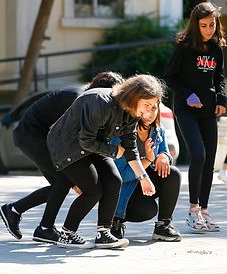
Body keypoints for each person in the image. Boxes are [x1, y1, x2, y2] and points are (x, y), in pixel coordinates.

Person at [0, 72, 124, 244]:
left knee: (61, 182)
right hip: (32, 135)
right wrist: (81, 179)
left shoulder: (89, 100)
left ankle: (16, 211)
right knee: (64, 180)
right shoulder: (80, 98)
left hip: (46, 136)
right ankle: (43, 227)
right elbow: (74, 138)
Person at [46, 74, 162, 249]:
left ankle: (103, 233)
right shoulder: (100, 102)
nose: (148, 111)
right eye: (146, 105)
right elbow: (85, 140)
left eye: (153, 106)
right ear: (133, 96)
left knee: (114, 180)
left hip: (95, 145)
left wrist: (144, 178)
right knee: (93, 190)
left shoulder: (132, 111)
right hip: (67, 145)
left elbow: (130, 147)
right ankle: (67, 234)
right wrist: (114, 151)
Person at [164, 2, 227, 233]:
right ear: (195, 25)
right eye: (204, 25)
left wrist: (221, 99)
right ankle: (193, 210)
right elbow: (170, 77)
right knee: (198, 154)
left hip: (208, 110)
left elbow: (219, 76)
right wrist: (188, 94)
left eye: (212, 24)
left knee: (209, 159)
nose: (209, 29)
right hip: (186, 109)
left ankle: (205, 210)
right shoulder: (184, 47)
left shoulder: (216, 47)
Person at [110, 104, 182, 242]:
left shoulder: (157, 130)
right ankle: (115, 221)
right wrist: (149, 159)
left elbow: (164, 150)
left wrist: (164, 156)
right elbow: (121, 176)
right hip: (124, 190)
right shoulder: (122, 132)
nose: (150, 113)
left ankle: (163, 226)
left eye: (154, 108)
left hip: (144, 184)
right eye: (146, 108)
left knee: (173, 174)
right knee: (148, 210)